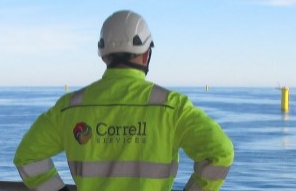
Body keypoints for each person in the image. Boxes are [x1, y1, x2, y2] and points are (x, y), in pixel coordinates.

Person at [13, 10, 234, 191]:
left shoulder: (70, 107)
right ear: (146, 54)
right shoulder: (172, 107)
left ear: (104, 55)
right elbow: (220, 153)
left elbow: (27, 157)